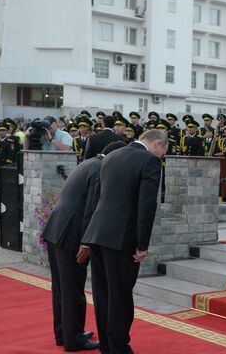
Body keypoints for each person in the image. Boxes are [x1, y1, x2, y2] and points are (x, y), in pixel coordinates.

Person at [81, 129, 167, 354]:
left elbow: (96, 198)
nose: (161, 156)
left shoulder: (111, 156)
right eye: (163, 152)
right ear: (158, 144)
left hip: (98, 234)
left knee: (103, 296)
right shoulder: (149, 161)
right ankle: (119, 349)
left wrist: (88, 236)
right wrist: (142, 245)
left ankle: (108, 348)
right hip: (121, 239)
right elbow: (146, 207)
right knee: (120, 298)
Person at [42, 141, 126, 352]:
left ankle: (64, 332)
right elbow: (91, 208)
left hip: (57, 229)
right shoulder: (101, 169)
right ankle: (74, 339)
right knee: (72, 288)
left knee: (60, 287)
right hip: (72, 234)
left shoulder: (87, 163)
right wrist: (86, 242)